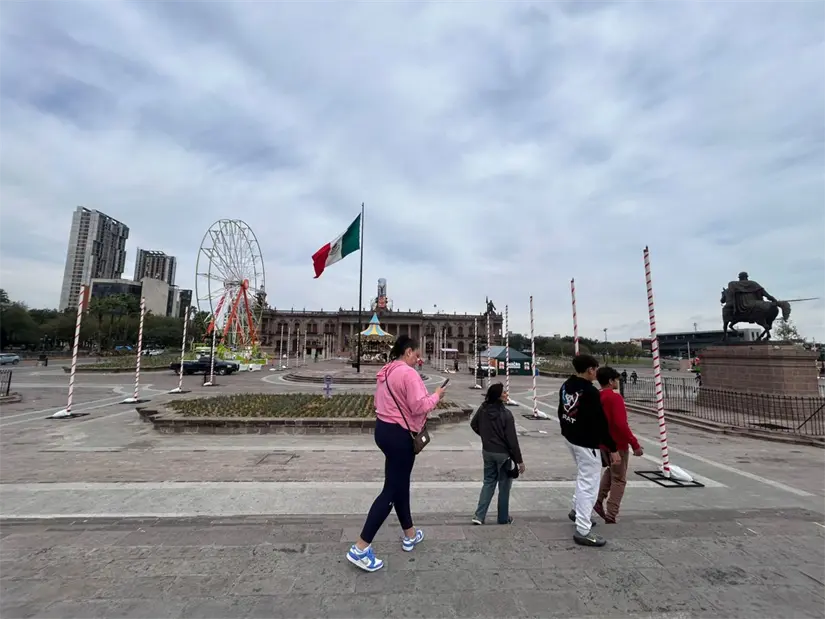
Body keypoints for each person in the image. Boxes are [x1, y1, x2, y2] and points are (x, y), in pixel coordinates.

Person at [346, 335, 447, 572]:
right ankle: (360, 548)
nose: (419, 359)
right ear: (408, 352)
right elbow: (419, 406)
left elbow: (378, 401)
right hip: (400, 435)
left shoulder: (387, 370)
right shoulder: (408, 373)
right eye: (418, 355)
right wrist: (437, 396)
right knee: (391, 491)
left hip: (383, 430)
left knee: (399, 484)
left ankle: (409, 533)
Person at [558, 354, 619, 547]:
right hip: (586, 442)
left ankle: (577, 510)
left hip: (571, 437)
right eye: (595, 369)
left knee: (583, 477)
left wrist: (565, 429)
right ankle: (583, 529)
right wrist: (613, 448)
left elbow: (561, 410)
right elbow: (601, 423)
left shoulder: (566, 385)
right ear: (590, 369)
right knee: (589, 484)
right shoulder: (590, 392)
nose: (596, 373)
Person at [470, 382, 525, 525]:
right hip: (503, 454)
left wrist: (485, 436)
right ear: (498, 396)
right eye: (504, 392)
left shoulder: (483, 409)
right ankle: (503, 517)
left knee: (488, 482)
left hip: (487, 451)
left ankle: (479, 516)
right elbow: (512, 440)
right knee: (504, 486)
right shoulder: (506, 414)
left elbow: (473, 425)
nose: (507, 394)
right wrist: (519, 461)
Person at [594, 367, 643, 524]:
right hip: (617, 444)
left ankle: (598, 500)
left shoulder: (597, 396)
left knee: (611, 471)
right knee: (619, 479)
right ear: (610, 381)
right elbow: (620, 424)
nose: (617, 382)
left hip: (602, 443)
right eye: (616, 379)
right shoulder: (615, 398)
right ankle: (611, 513)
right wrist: (634, 444)